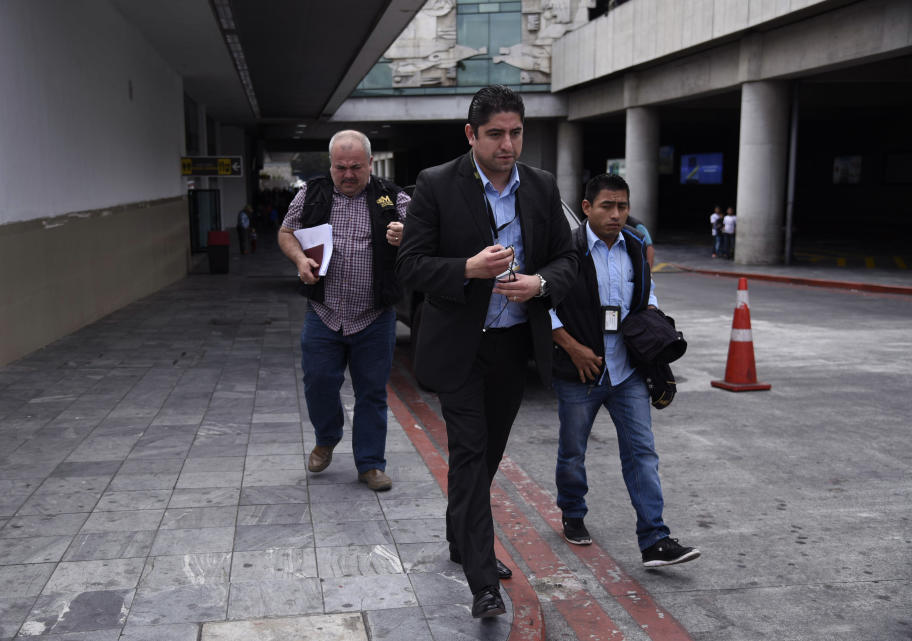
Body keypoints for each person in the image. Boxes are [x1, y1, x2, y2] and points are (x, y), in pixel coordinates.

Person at [396, 85, 578, 619]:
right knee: (471, 454)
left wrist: (540, 283)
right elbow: (410, 266)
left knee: (485, 457)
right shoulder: (435, 185)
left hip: (513, 346)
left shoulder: (542, 188)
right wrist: (467, 269)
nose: (507, 144)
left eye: (516, 133)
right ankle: (483, 580)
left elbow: (568, 260)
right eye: (495, 134)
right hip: (459, 347)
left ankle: (460, 537)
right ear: (471, 135)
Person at [549, 173, 700, 568]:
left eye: (623, 207)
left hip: (628, 369)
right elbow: (543, 302)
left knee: (642, 453)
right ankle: (573, 512)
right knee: (572, 452)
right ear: (586, 208)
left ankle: (655, 539)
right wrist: (571, 346)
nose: (617, 214)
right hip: (581, 370)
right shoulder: (567, 248)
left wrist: (650, 314)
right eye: (607, 206)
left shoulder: (635, 246)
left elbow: (646, 289)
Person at [277, 130, 408, 492]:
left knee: (372, 392)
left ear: (369, 164)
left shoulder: (393, 197)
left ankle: (370, 464)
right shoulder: (312, 193)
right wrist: (299, 258)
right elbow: (286, 232)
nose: (348, 175)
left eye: (356, 167)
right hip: (324, 312)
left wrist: (405, 233)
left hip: (374, 315)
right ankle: (327, 435)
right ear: (330, 165)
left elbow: (425, 233)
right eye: (340, 168)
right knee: (318, 382)